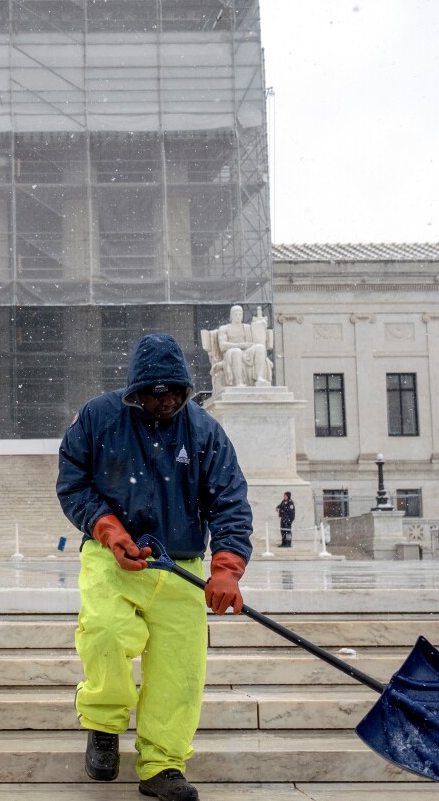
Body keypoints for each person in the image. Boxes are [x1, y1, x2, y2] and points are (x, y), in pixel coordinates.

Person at [57, 333, 253, 801]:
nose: (163, 400)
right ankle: (104, 724)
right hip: (112, 558)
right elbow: (73, 481)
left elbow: (229, 501)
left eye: (172, 391)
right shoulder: (99, 418)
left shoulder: (205, 431)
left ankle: (163, 764)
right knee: (104, 632)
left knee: (179, 670)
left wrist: (226, 566)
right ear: (134, 390)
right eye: (153, 391)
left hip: (180, 564)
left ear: (185, 389)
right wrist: (107, 528)